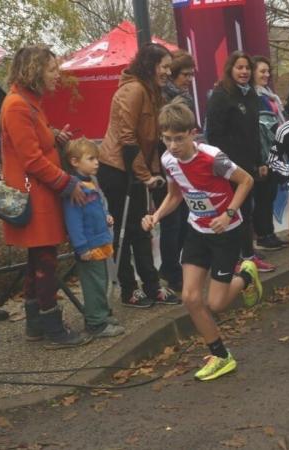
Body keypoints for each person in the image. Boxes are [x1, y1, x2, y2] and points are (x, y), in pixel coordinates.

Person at [142, 102, 261, 381]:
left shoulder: (213, 158)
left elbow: (246, 181)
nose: (173, 145)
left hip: (226, 232)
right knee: (191, 297)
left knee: (217, 304)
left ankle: (245, 275)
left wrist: (228, 213)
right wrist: (155, 216)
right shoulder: (168, 161)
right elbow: (176, 195)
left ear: (193, 134)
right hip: (197, 230)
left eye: (179, 138)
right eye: (167, 139)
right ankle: (221, 355)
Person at [0, 46, 91, 347]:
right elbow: (32, 160)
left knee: (37, 260)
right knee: (46, 262)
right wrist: (68, 183)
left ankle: (35, 325)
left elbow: (36, 142)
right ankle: (53, 329)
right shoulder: (17, 105)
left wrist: (55, 136)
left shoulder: (28, 102)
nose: (57, 75)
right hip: (35, 197)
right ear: (35, 71)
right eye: (52, 69)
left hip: (40, 194)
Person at [99, 43, 181, 308]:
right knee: (127, 229)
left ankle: (152, 284)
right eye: (165, 66)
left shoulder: (153, 91)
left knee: (143, 227)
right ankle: (128, 289)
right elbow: (128, 137)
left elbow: (151, 138)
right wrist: (145, 175)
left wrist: (154, 172)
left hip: (138, 167)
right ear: (150, 65)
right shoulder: (133, 90)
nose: (169, 72)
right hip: (117, 168)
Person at [206, 51, 275, 272]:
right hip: (229, 167)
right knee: (232, 212)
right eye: (239, 68)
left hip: (248, 165)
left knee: (246, 210)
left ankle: (248, 255)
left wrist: (259, 161)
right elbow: (214, 135)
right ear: (230, 70)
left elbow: (254, 131)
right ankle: (234, 258)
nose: (244, 72)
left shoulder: (252, 95)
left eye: (247, 68)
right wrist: (224, 165)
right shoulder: (221, 95)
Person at [63, 138, 125, 338]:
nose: (96, 162)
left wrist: (104, 216)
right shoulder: (77, 189)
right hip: (89, 245)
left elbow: (94, 209)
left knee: (101, 280)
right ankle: (96, 322)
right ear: (75, 161)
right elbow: (74, 219)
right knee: (93, 283)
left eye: (96, 158)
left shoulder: (90, 182)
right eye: (91, 158)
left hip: (99, 241)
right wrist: (81, 246)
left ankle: (102, 314)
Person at [155, 49, 197, 292]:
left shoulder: (182, 95)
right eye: (185, 74)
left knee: (182, 220)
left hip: (185, 163)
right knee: (173, 222)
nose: (189, 79)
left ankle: (178, 267)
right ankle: (171, 270)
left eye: (192, 74)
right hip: (168, 164)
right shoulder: (168, 98)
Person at [251, 55, 287, 251]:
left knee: (271, 193)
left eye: (267, 71)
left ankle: (270, 232)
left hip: (275, 149)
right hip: (264, 152)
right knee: (263, 195)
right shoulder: (254, 97)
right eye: (262, 71)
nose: (266, 75)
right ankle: (263, 235)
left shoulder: (268, 94)